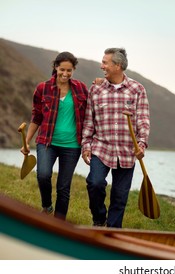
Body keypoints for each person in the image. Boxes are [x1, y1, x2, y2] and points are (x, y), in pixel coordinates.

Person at [81, 48, 150, 228]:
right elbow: (89, 120)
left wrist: (141, 144)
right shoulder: (96, 89)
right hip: (101, 148)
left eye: (105, 62)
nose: (101, 65)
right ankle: (99, 218)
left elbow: (143, 120)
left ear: (118, 66)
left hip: (128, 151)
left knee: (120, 196)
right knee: (94, 183)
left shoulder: (137, 89)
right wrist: (86, 145)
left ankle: (112, 232)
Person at [21, 52, 88, 220]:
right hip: (46, 142)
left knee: (63, 187)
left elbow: (91, 111)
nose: (65, 74)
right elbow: (36, 117)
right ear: (55, 67)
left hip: (72, 145)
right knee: (43, 175)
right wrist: (26, 142)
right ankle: (47, 206)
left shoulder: (81, 88)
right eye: (62, 69)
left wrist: (100, 83)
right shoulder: (42, 88)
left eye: (69, 70)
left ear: (73, 70)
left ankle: (59, 224)